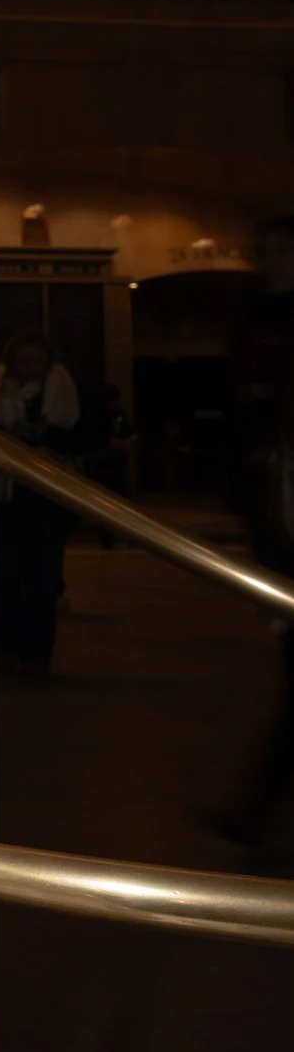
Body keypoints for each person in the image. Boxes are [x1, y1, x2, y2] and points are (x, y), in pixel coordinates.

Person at [220, 215, 294, 851]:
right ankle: (258, 802)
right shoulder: (257, 321)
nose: (271, 259)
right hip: (279, 504)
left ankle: (259, 802)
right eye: (265, 247)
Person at [0, 327, 80, 673]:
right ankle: (8, 650)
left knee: (43, 579)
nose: (32, 367)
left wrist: (45, 435)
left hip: (48, 495)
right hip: (7, 495)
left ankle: (38, 654)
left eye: (38, 361)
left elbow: (80, 433)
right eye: (25, 361)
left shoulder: (62, 389)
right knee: (7, 577)